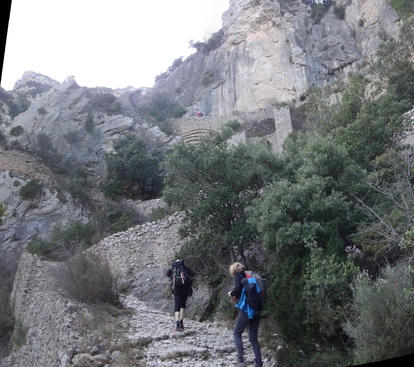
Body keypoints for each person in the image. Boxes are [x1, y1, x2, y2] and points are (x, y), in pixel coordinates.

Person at [228, 262, 263, 367]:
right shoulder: (249, 275)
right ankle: (259, 363)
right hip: (257, 308)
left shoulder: (238, 277)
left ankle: (241, 360)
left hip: (247, 309)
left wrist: (231, 294)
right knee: (253, 338)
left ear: (233, 270)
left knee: (236, 333)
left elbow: (237, 289)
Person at [166, 259, 195, 332]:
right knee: (183, 305)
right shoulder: (184, 268)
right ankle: (181, 322)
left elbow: (167, 274)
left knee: (177, 307)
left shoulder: (173, 269)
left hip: (176, 289)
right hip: (185, 289)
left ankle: (177, 324)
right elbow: (192, 273)